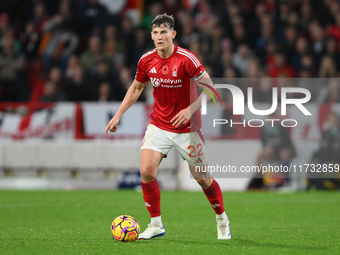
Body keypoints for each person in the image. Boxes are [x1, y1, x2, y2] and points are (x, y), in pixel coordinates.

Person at [105, 13, 231, 240]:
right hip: (159, 125)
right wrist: (118, 115)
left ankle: (221, 218)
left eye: (164, 32)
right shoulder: (146, 61)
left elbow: (212, 90)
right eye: (155, 32)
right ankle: (156, 225)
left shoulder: (187, 59)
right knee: (146, 172)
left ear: (173, 34)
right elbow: (136, 88)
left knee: (202, 179)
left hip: (188, 129)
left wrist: (189, 110)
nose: (159, 36)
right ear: (151, 35)